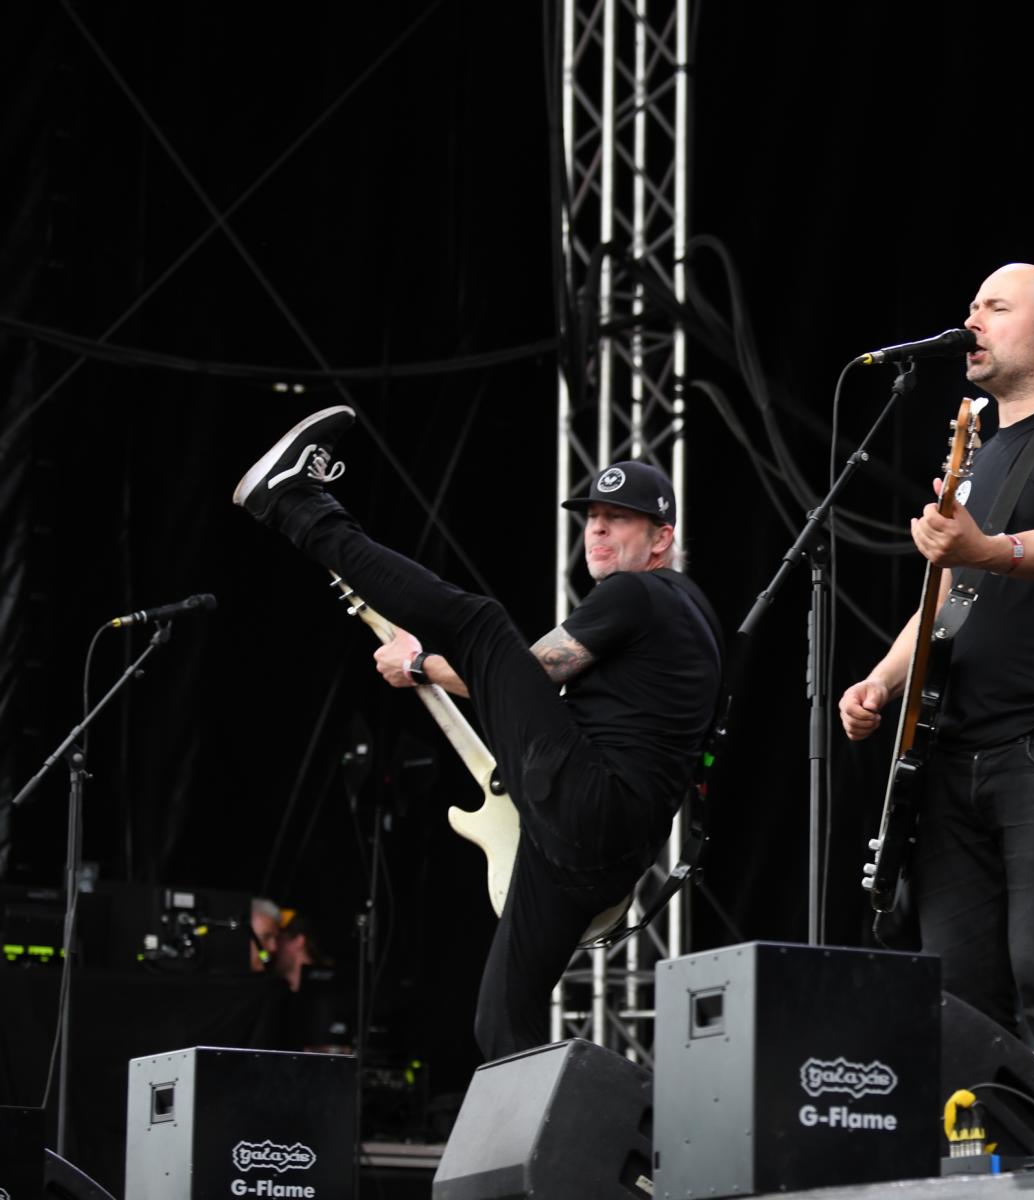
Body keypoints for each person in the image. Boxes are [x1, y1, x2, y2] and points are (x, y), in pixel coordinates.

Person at [233, 413, 721, 1058]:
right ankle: (581, 1129)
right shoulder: (692, 612)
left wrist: (418, 664)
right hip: (601, 858)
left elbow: (528, 670)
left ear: (662, 538)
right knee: (502, 1023)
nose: (597, 529)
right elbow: (515, 682)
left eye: (619, 518)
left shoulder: (638, 593)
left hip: (593, 802)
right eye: (592, 517)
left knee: (482, 625)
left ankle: (296, 504)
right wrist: (427, 667)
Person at [838, 263, 1034, 1157]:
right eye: (970, 304)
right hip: (951, 755)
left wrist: (981, 545)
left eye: (994, 307)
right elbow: (947, 595)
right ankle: (1030, 1168)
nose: (971, 319)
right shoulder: (976, 461)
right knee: (964, 1003)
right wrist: (881, 681)